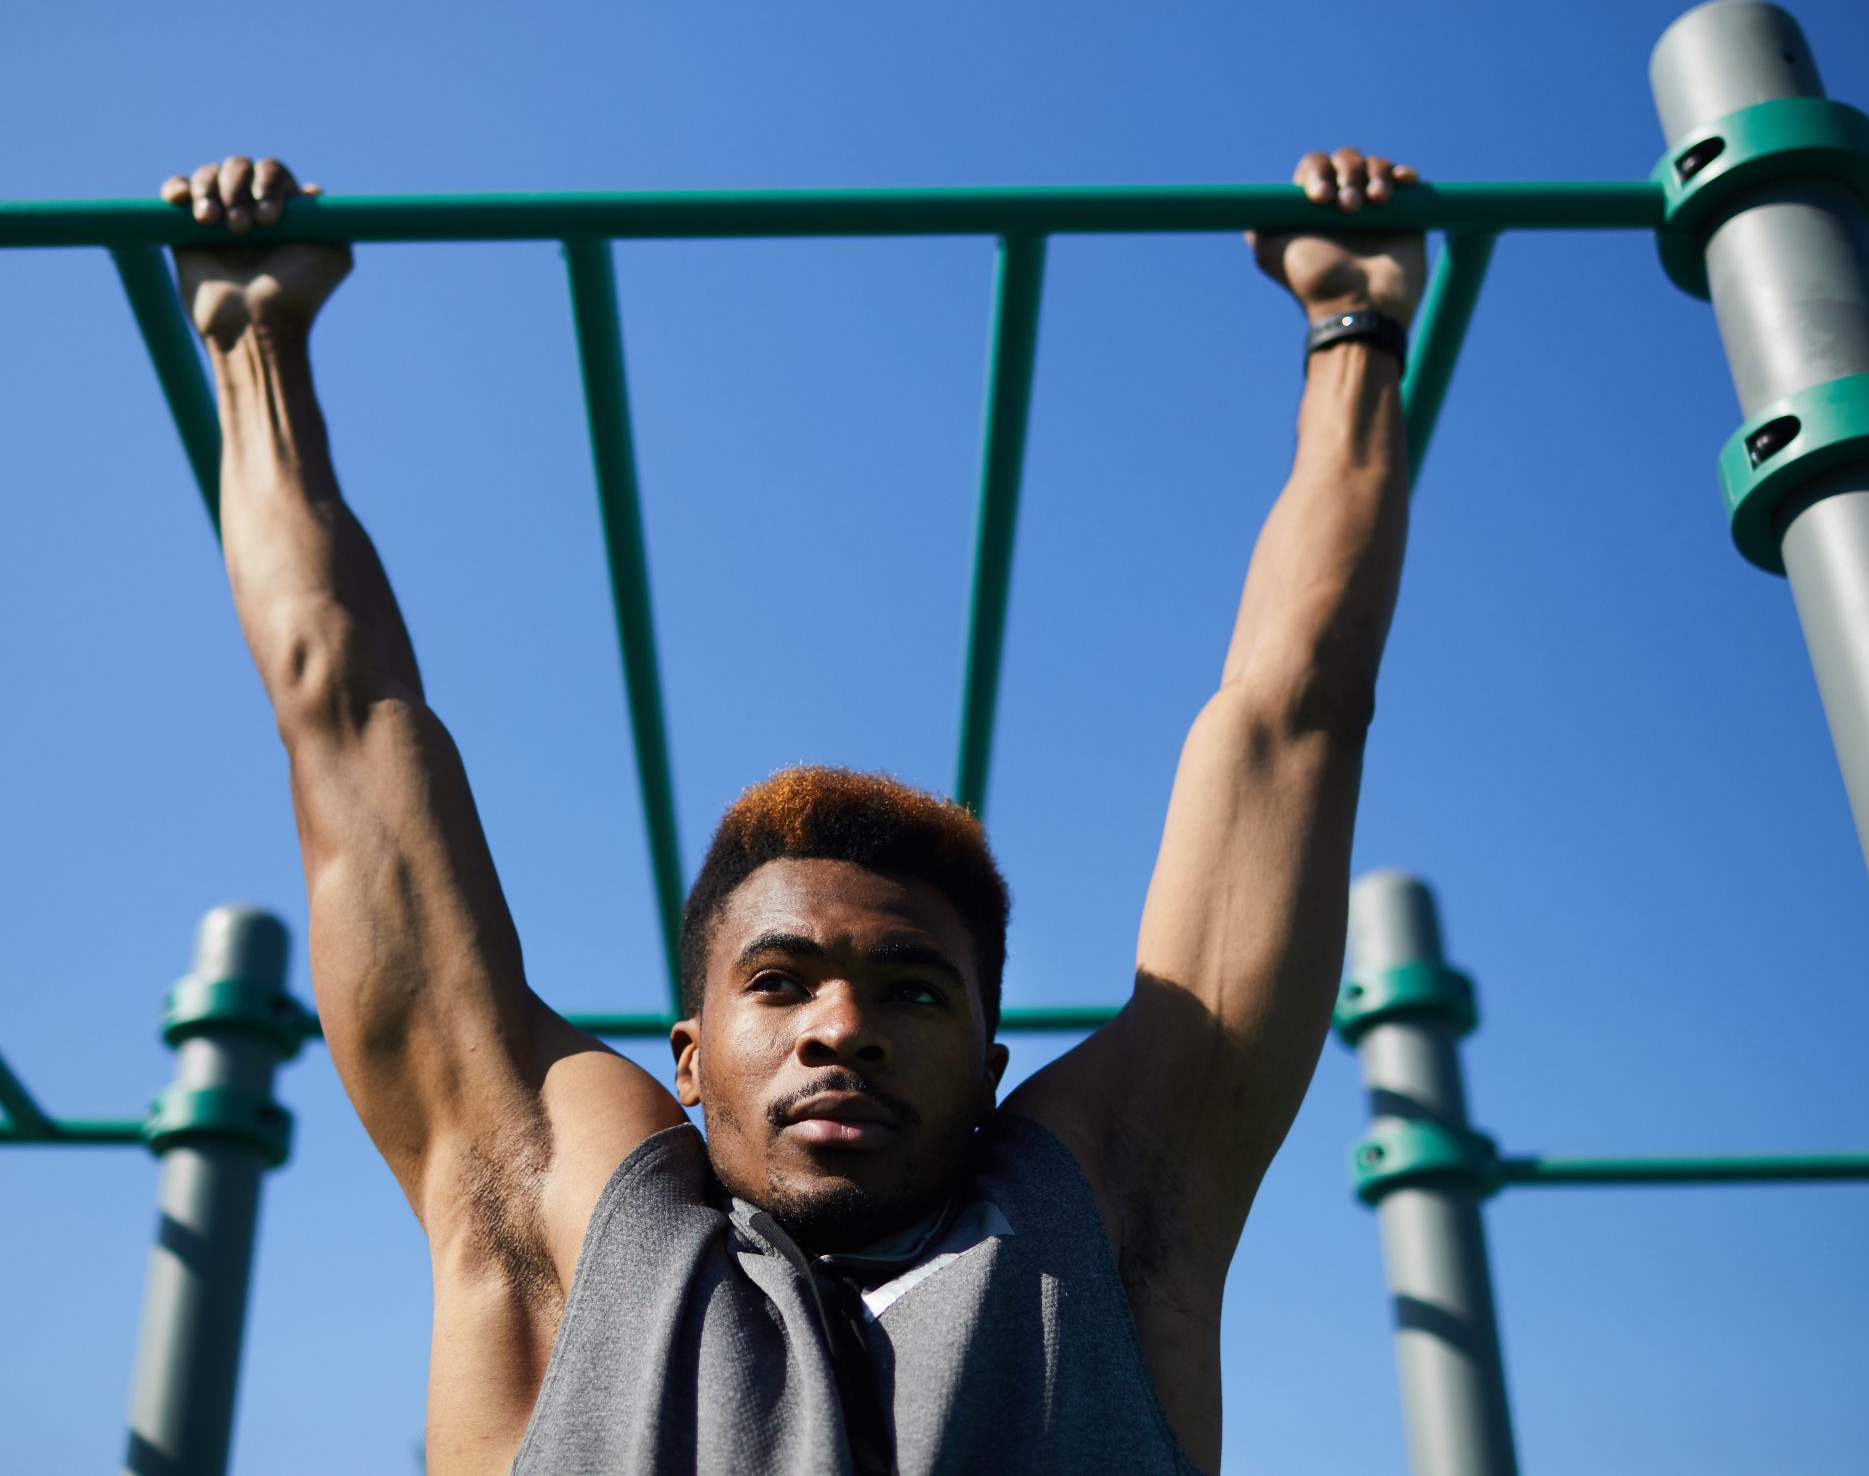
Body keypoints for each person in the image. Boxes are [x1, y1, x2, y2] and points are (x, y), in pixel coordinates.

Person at [162, 147, 1423, 1475]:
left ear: (995, 1072)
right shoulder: (560, 1214)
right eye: (780, 984)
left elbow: (1295, 725)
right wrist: (254, 343)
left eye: (916, 994)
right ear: (689, 1056)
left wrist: (1355, 326)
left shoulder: (1097, 1226)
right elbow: (345, 716)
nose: (844, 1031)